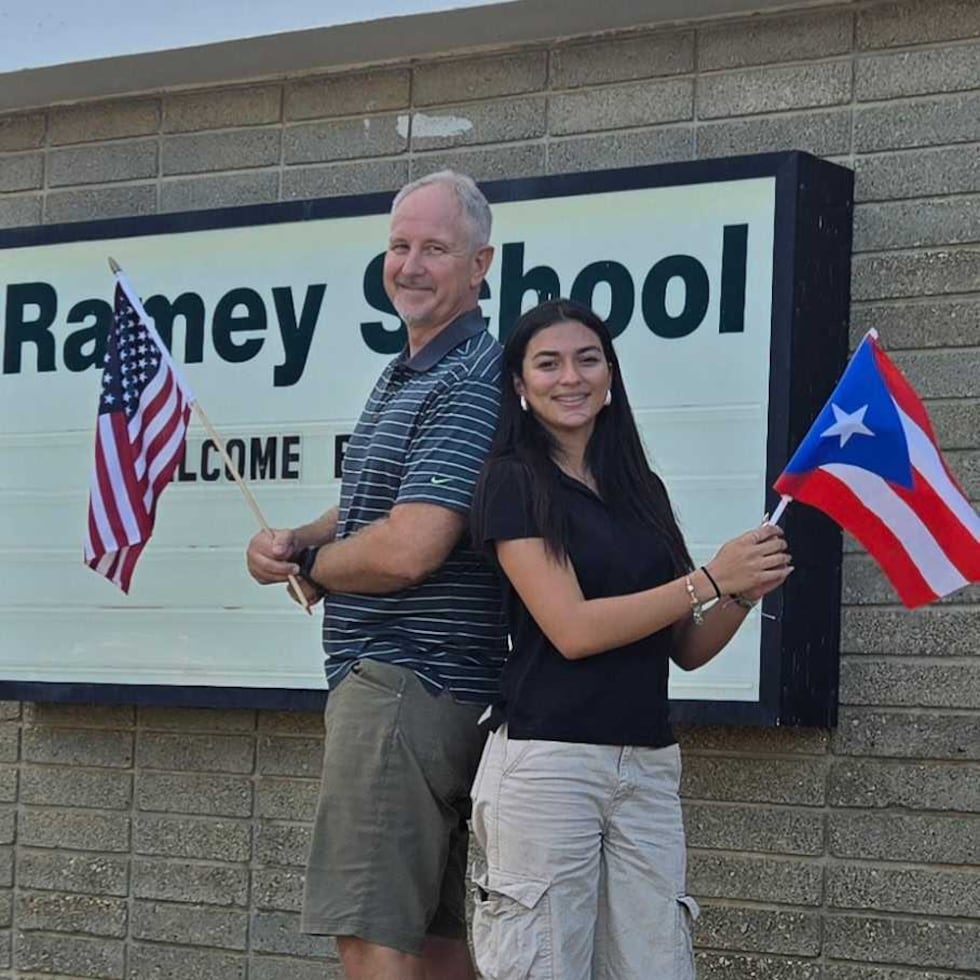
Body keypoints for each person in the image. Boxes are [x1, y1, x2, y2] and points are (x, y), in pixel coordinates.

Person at [468, 298, 793, 980]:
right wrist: (709, 578)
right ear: (520, 389)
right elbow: (574, 630)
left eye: (588, 359)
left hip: (646, 765)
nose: (571, 377)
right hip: (549, 763)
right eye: (548, 364)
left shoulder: (641, 487)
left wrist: (740, 589)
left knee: (658, 967)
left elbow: (687, 647)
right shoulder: (513, 482)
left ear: (611, 377)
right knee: (544, 967)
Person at [245, 170, 507, 980]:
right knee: (430, 944)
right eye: (399, 246)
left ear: (480, 265)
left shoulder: (471, 377)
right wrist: (296, 539)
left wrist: (317, 569)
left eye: (435, 247)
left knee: (370, 938)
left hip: (404, 684)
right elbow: (376, 510)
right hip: (422, 689)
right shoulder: (411, 371)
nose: (411, 264)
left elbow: (411, 545)